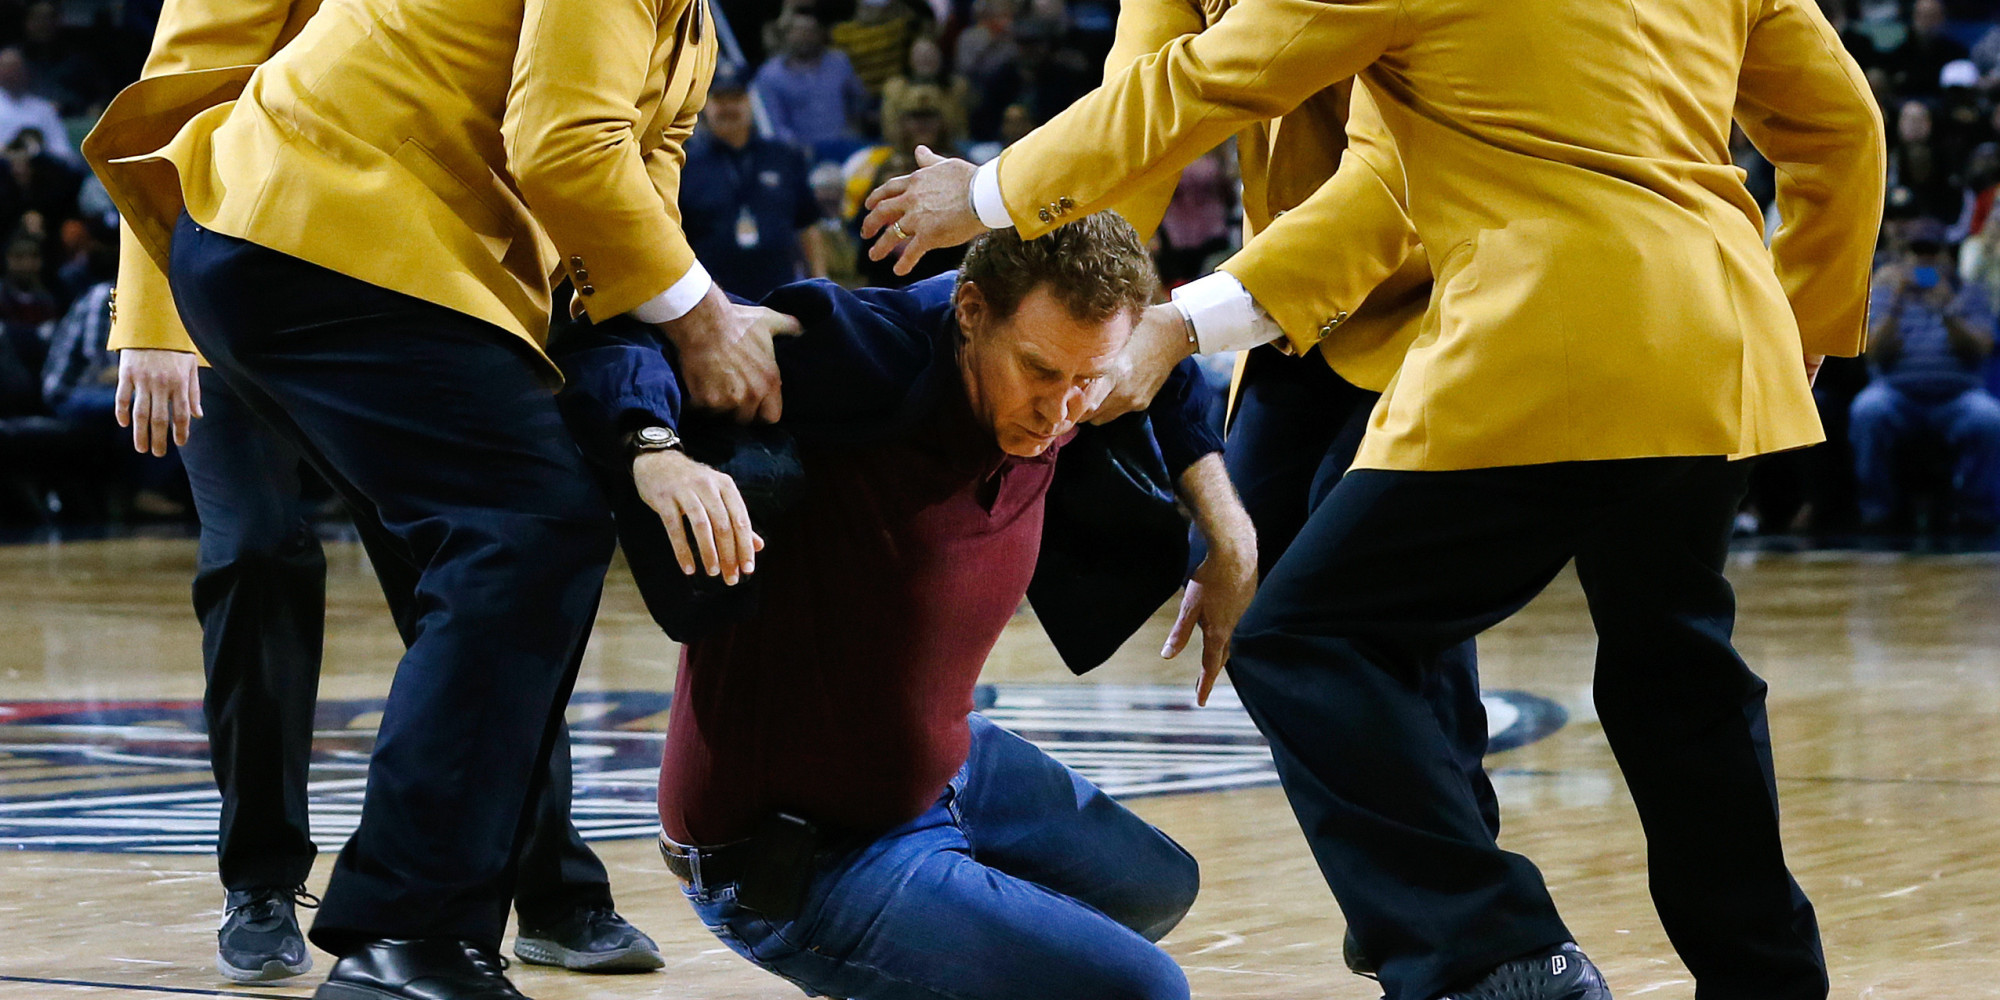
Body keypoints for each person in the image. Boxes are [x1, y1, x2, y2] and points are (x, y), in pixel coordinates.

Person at [862, 0, 1885, 996]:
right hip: (1716, 339)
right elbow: (1842, 130)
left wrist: (993, 193)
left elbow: (1206, 92)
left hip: (1534, 330)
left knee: (1302, 638)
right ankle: (1764, 978)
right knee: (1676, 680)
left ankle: (1492, 955)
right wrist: (1796, 319)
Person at [85, 0, 799, 996]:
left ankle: (486, 908)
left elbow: (614, 252)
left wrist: (648, 431)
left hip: (384, 266)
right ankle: (367, 920)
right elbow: (563, 150)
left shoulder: (694, 40)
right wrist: (708, 318)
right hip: (300, 232)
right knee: (486, 533)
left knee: (521, 537)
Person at [553, 214, 1253, 1000]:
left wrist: (1228, 530)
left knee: (1155, 888)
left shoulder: (1082, 368)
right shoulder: (867, 354)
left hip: (938, 771)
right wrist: (655, 448)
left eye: (1085, 380)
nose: (1061, 412)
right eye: (1037, 371)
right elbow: (608, 321)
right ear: (971, 312)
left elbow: (1165, 368)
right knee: (1147, 991)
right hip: (793, 856)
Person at [1853, 220, 2000, 530]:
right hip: (1897, 395)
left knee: (1987, 418)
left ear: (1946, 254)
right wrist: (1897, 302)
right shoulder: (1883, 292)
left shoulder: (1967, 292)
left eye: (1931, 251)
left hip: (1957, 398)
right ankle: (1877, 511)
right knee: (1868, 411)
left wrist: (1947, 309)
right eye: (1916, 251)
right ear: (1904, 255)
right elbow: (1874, 353)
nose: (1924, 259)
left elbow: (1980, 350)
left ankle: (1977, 514)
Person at [680, 62, 825, 301]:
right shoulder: (685, 164)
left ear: (749, 101)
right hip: (715, 303)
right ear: (705, 104)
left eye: (735, 98)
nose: (728, 107)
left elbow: (807, 225)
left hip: (781, 296)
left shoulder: (784, 157)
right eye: (719, 99)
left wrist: (820, 280)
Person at [752, 13, 868, 151]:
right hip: (800, 152)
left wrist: (853, 132)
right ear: (787, 36)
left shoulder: (839, 62)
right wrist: (797, 151)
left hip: (844, 144)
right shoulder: (770, 75)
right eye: (798, 32)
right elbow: (773, 124)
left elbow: (859, 101)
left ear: (820, 33)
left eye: (809, 31)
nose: (804, 37)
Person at [0, 47, 74, 166]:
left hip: (39, 170)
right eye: (7, 69)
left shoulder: (44, 109)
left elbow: (62, 152)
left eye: (16, 69)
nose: (12, 74)